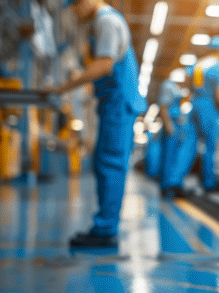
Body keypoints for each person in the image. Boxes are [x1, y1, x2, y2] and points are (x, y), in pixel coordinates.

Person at [50, 0, 146, 247]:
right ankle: (104, 225)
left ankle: (105, 230)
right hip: (112, 103)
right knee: (104, 162)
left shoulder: (107, 22)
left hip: (118, 102)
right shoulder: (101, 22)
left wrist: (65, 87)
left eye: (75, 7)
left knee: (111, 163)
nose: (75, 12)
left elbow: (104, 65)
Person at [189, 37, 219, 193]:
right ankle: (209, 183)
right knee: (210, 146)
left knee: (190, 144)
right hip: (209, 107)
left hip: (195, 104)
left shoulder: (198, 65)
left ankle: (173, 181)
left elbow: (189, 84)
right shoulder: (218, 68)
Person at [157, 69, 197, 198]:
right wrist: (169, 127)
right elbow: (163, 107)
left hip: (177, 125)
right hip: (171, 125)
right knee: (168, 156)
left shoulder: (177, 88)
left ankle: (171, 185)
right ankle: (166, 186)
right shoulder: (168, 85)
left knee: (174, 155)